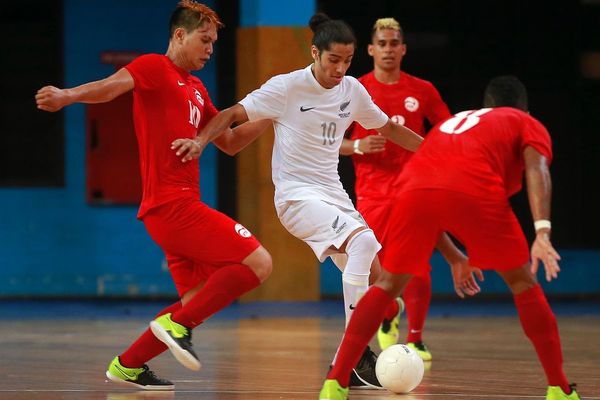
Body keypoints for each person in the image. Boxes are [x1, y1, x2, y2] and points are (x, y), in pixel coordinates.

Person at [172, 12, 472, 391]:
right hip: (296, 197)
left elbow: (392, 128)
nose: (340, 69)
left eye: (347, 62)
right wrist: (199, 142)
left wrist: (437, 154)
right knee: (362, 243)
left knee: (380, 281)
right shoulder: (286, 87)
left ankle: (366, 339)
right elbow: (232, 114)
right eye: (333, 60)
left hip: (333, 195)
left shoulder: (352, 91)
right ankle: (354, 356)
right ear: (315, 53)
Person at [35, 0, 272, 391]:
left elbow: (229, 141)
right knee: (259, 263)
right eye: (205, 40)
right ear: (179, 35)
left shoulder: (197, 88)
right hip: (173, 206)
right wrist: (67, 95)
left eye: (214, 42)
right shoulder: (153, 67)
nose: (211, 49)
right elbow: (109, 88)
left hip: (175, 210)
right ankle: (173, 326)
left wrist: (274, 113)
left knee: (193, 303)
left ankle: (128, 365)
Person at [319, 75, 581, 400]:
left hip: (412, 187)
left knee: (387, 284)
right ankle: (559, 388)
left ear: (488, 106)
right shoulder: (524, 122)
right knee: (523, 283)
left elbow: (435, 191)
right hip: (474, 187)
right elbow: (536, 168)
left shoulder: (458, 122)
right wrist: (542, 231)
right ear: (522, 108)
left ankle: (336, 382)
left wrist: (455, 255)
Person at [339, 17, 452, 360]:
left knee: (417, 264)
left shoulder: (423, 90)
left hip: (413, 190)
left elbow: (445, 133)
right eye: (382, 44)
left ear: (403, 49)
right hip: (371, 193)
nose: (388, 50)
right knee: (379, 268)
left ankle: (416, 337)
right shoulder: (355, 88)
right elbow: (327, 138)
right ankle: (389, 315)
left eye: (394, 44)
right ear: (371, 49)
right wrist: (357, 147)